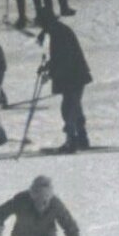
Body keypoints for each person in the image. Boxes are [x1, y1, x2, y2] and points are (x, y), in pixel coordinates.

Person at [37, 12, 93, 151]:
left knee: (68, 108)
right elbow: (59, 57)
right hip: (75, 75)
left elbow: (64, 59)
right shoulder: (58, 30)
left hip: (73, 76)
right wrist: (47, 67)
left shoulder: (59, 33)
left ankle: (72, 140)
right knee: (74, 107)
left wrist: (49, 74)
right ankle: (81, 137)